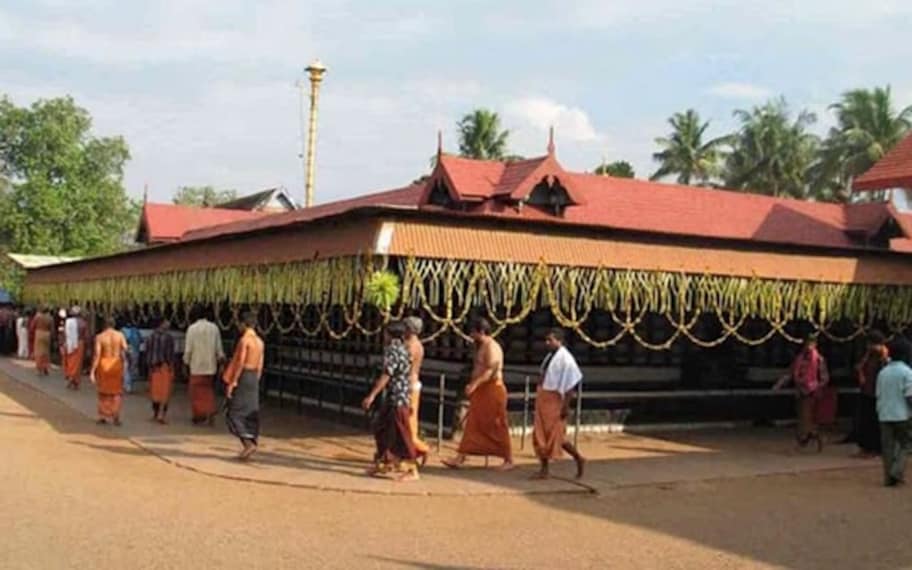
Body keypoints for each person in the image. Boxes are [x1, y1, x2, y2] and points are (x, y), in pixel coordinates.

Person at [442, 318, 514, 470]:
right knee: (473, 424)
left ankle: (508, 459)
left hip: (492, 389)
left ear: (481, 331)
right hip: (482, 391)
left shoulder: (492, 347)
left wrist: (475, 384)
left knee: (497, 424)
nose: (471, 335)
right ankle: (461, 456)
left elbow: (491, 370)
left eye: (473, 332)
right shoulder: (481, 346)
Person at [362, 321, 420, 481]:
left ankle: (411, 468)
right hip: (394, 396)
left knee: (402, 432)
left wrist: (372, 395)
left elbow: (386, 375)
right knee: (381, 427)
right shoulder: (400, 348)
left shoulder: (394, 350)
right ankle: (385, 461)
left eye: (385, 333)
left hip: (399, 397)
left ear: (390, 334)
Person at [532, 328, 586, 480]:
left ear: (559, 341)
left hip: (554, 399)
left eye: (551, 340)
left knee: (556, 437)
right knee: (539, 435)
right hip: (543, 397)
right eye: (546, 340)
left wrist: (565, 406)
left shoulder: (566, 359)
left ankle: (578, 458)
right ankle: (544, 469)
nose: (547, 343)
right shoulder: (550, 356)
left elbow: (570, 386)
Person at [774, 334, 829, 451]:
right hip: (800, 391)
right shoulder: (799, 359)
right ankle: (812, 437)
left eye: (811, 344)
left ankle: (805, 440)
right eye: (807, 344)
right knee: (802, 418)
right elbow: (790, 373)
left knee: (806, 418)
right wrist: (779, 384)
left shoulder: (819, 359)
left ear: (815, 345)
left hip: (812, 393)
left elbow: (824, 378)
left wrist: (813, 386)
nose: (809, 346)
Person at [222, 311, 264, 461]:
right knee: (249, 410)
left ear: (243, 324)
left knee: (234, 412)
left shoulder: (244, 341)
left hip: (244, 375)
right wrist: (255, 381)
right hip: (253, 377)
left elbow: (239, 362)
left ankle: (247, 443)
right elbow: (260, 365)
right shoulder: (260, 342)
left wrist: (233, 382)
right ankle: (250, 440)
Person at [876, 337, 912, 487]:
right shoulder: (907, 372)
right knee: (905, 444)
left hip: (884, 414)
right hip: (902, 414)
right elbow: (910, 395)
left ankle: (888, 478)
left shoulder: (883, 372)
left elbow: (878, 394)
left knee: (887, 448)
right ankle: (896, 471)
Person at [183, 306, 225, 425]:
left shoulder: (192, 329)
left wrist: (185, 363)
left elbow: (188, 350)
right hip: (210, 366)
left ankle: (199, 415)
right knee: (208, 391)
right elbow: (219, 349)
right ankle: (209, 411)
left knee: (195, 392)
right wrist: (221, 362)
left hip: (196, 366)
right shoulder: (214, 328)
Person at [854, 331, 888, 457]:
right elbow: (860, 366)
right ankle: (865, 447)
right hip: (866, 391)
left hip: (877, 393)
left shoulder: (883, 355)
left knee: (874, 422)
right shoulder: (869, 355)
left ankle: (875, 448)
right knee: (865, 420)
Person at [90, 317, 128, 426]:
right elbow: (125, 348)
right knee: (116, 392)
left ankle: (103, 416)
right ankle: (116, 416)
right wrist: (125, 362)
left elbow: (97, 355)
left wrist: (93, 371)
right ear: (114, 324)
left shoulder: (100, 337)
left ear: (104, 325)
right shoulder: (120, 335)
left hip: (104, 364)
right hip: (116, 364)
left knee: (103, 392)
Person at [403, 316, 430, 463]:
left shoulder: (411, 346)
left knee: (406, 421)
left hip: (409, 385)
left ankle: (420, 448)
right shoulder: (418, 344)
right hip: (412, 383)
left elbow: (405, 366)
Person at [145, 318, 176, 424]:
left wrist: (149, 366)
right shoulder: (168, 338)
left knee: (154, 393)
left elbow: (147, 352)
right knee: (165, 393)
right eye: (167, 322)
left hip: (154, 368)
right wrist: (172, 367)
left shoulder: (150, 337)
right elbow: (170, 354)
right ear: (162, 323)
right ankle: (161, 415)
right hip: (164, 367)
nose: (169, 324)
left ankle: (155, 414)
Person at [63, 306, 89, 390]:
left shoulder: (68, 322)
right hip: (80, 343)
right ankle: (75, 380)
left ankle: (70, 376)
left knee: (70, 360)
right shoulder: (83, 323)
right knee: (78, 363)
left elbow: (65, 333)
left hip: (69, 343)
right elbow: (86, 335)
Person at [121, 320, 144, 394]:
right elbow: (141, 340)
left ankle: (127, 385)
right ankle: (129, 385)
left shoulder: (122, 330)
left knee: (125, 367)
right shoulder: (136, 331)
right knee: (132, 369)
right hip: (135, 352)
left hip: (125, 351)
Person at [32, 306, 54, 376]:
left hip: (39, 333)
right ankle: (45, 368)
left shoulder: (37, 317)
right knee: (46, 352)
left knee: (38, 352)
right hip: (47, 334)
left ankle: (39, 369)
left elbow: (32, 326)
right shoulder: (50, 318)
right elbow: (52, 329)